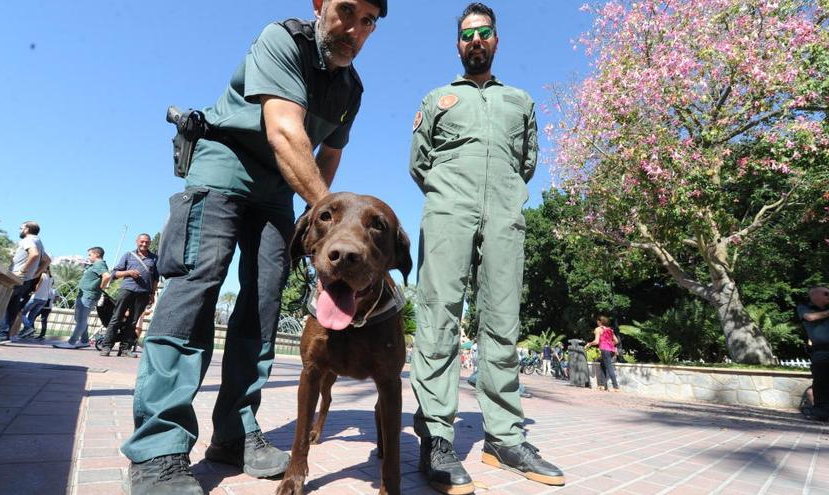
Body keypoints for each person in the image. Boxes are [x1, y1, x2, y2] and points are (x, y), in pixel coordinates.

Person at [120, 2, 387, 493]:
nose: (354, 28)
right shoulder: (282, 39)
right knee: (195, 291)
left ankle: (235, 434)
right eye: (345, 10)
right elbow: (285, 130)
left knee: (264, 304)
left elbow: (329, 154)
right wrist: (333, 221)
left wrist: (320, 229)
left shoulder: (352, 89)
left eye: (368, 21)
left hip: (281, 193)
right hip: (225, 168)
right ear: (319, 5)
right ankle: (158, 448)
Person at [408, 3, 564, 492]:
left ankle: (504, 438)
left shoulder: (520, 101)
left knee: (502, 319)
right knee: (439, 316)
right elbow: (419, 161)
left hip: (504, 213)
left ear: (496, 40)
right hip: (448, 211)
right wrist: (448, 194)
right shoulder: (438, 98)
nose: (475, 40)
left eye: (484, 33)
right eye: (467, 34)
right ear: (458, 44)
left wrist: (501, 198)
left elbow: (528, 161)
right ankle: (436, 436)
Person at [100, 234, 158, 357]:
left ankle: (125, 349)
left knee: (133, 321)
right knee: (116, 318)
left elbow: (155, 279)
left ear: (150, 243)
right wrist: (129, 272)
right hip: (127, 290)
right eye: (142, 241)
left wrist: (152, 294)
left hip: (144, 293)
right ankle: (106, 346)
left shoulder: (154, 258)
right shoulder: (129, 255)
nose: (144, 244)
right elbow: (115, 273)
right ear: (137, 241)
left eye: (147, 242)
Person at [0, 221, 50, 343]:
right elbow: (47, 260)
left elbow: (34, 254)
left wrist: (22, 270)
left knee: (4, 303)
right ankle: (5, 334)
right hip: (26, 280)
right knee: (12, 306)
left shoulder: (28, 239)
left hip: (17, 277)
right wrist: (35, 273)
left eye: (21, 228)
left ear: (27, 229)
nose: (20, 230)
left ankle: (2, 333)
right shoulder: (39, 241)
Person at [53, 247, 111, 349]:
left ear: (97, 254)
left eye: (90, 254)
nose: (88, 257)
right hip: (84, 295)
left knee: (81, 320)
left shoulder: (99, 264)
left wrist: (101, 287)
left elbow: (106, 276)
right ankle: (84, 341)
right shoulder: (95, 265)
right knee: (79, 319)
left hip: (88, 296)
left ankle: (71, 342)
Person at [798, 286, 829, 422]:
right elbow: (810, 318)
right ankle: (821, 413)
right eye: (826, 293)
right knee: (821, 382)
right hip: (821, 351)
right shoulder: (804, 307)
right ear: (814, 295)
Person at [585, 316, 620, 392]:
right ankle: (602, 385)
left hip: (605, 349)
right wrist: (610, 344)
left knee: (609, 367)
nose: (596, 322)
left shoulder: (598, 329)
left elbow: (596, 341)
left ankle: (616, 387)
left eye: (597, 321)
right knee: (602, 365)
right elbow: (616, 341)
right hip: (611, 350)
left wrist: (589, 344)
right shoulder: (610, 329)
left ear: (599, 321)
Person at [18, 268, 54, 339]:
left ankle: (28, 328)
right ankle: (27, 333)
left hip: (36, 297)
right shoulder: (51, 278)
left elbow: (37, 287)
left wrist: (31, 292)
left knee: (21, 312)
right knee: (31, 316)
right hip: (44, 300)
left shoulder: (42, 275)